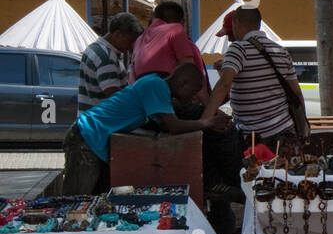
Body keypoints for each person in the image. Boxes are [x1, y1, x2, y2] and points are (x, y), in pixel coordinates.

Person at [62, 63, 229, 195]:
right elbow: (174, 126)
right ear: (182, 83)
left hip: (90, 138)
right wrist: (208, 123)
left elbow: (165, 125)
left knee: (92, 200)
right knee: (74, 202)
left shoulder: (155, 84)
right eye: (193, 92)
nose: (193, 98)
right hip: (85, 137)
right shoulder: (157, 86)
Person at [202, 7, 304, 152]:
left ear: (236, 23)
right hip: (285, 133)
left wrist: (204, 121)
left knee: (254, 174)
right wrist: (301, 128)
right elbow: (297, 93)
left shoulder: (238, 49)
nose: (231, 38)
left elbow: (224, 84)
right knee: (281, 174)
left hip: (254, 139)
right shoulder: (281, 51)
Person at [129, 0, 207, 89]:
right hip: (166, 92)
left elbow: (132, 75)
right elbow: (189, 69)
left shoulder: (139, 40)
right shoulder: (175, 30)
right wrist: (207, 101)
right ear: (182, 22)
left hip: (139, 93)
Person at [78, 12, 142, 113]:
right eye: (130, 41)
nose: (131, 46)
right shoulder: (106, 58)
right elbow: (114, 95)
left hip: (90, 118)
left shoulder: (94, 48)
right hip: (100, 122)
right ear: (117, 34)